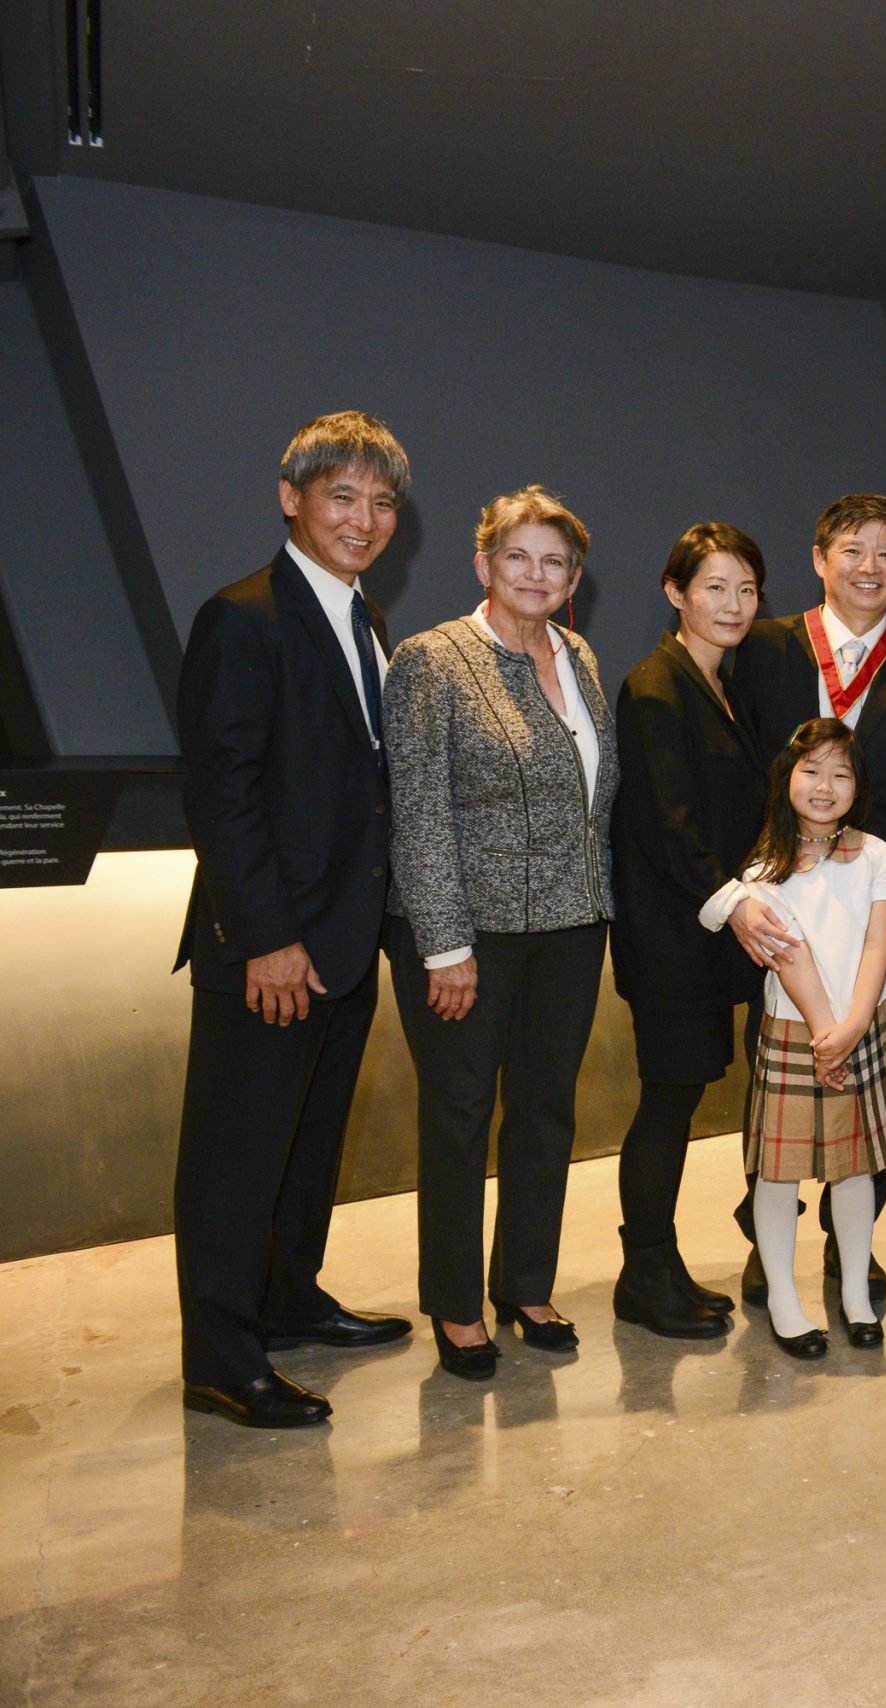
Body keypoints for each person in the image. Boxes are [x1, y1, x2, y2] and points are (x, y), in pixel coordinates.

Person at [171, 411, 415, 1428]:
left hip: (343, 943)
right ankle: (223, 1357)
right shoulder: (244, 616)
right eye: (342, 496)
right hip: (270, 946)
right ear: (292, 498)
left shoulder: (361, 619)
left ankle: (287, 1296)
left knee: (307, 1145)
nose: (364, 519)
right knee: (236, 1155)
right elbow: (221, 793)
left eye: (381, 502)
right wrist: (265, 936)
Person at [384, 486, 618, 1381]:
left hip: (569, 928)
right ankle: (454, 1304)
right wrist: (445, 945)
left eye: (554, 562)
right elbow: (419, 811)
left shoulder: (579, 653)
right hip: (466, 939)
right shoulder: (433, 660)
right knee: (458, 1117)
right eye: (518, 557)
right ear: (483, 565)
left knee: (547, 1114)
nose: (536, 575)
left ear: (573, 579)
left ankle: (525, 1284)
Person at [718, 493, 886, 1315]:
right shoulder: (768, 647)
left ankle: (849, 1252)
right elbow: (741, 764)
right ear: (820, 557)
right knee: (777, 1084)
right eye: (853, 550)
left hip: (871, 907)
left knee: (862, 1084)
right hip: (781, 901)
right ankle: (768, 1245)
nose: (870, 567)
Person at [605, 523, 768, 1338]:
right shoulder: (655, 685)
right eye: (714, 587)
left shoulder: (721, 683)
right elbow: (667, 825)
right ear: (676, 593)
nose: (732, 604)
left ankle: (662, 1267)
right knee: (667, 1103)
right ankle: (643, 1274)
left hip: (710, 934)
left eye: (746, 589)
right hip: (675, 936)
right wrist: (737, 900)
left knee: (687, 1093)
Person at [731, 719, 886, 1357]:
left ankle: (852, 1294)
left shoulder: (877, 855)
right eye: (811, 770)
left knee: (855, 1168)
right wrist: (827, 1034)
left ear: (858, 786)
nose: (825, 786)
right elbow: (788, 956)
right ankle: (785, 1304)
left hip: (862, 1023)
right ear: (786, 779)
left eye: (841, 773)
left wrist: (852, 1026)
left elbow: (879, 943)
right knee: (778, 1173)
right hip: (798, 1031)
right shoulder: (764, 866)